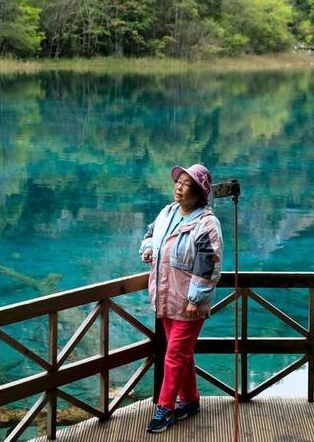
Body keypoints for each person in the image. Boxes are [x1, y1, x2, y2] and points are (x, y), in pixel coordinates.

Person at [139, 163, 224, 433]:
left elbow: (209, 264)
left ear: (200, 193)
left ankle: (165, 409)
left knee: (174, 355)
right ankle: (190, 400)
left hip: (189, 302)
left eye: (186, 185)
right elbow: (151, 234)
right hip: (165, 297)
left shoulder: (206, 224)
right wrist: (149, 248)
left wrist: (196, 299)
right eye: (179, 182)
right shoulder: (168, 212)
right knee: (182, 355)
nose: (179, 187)